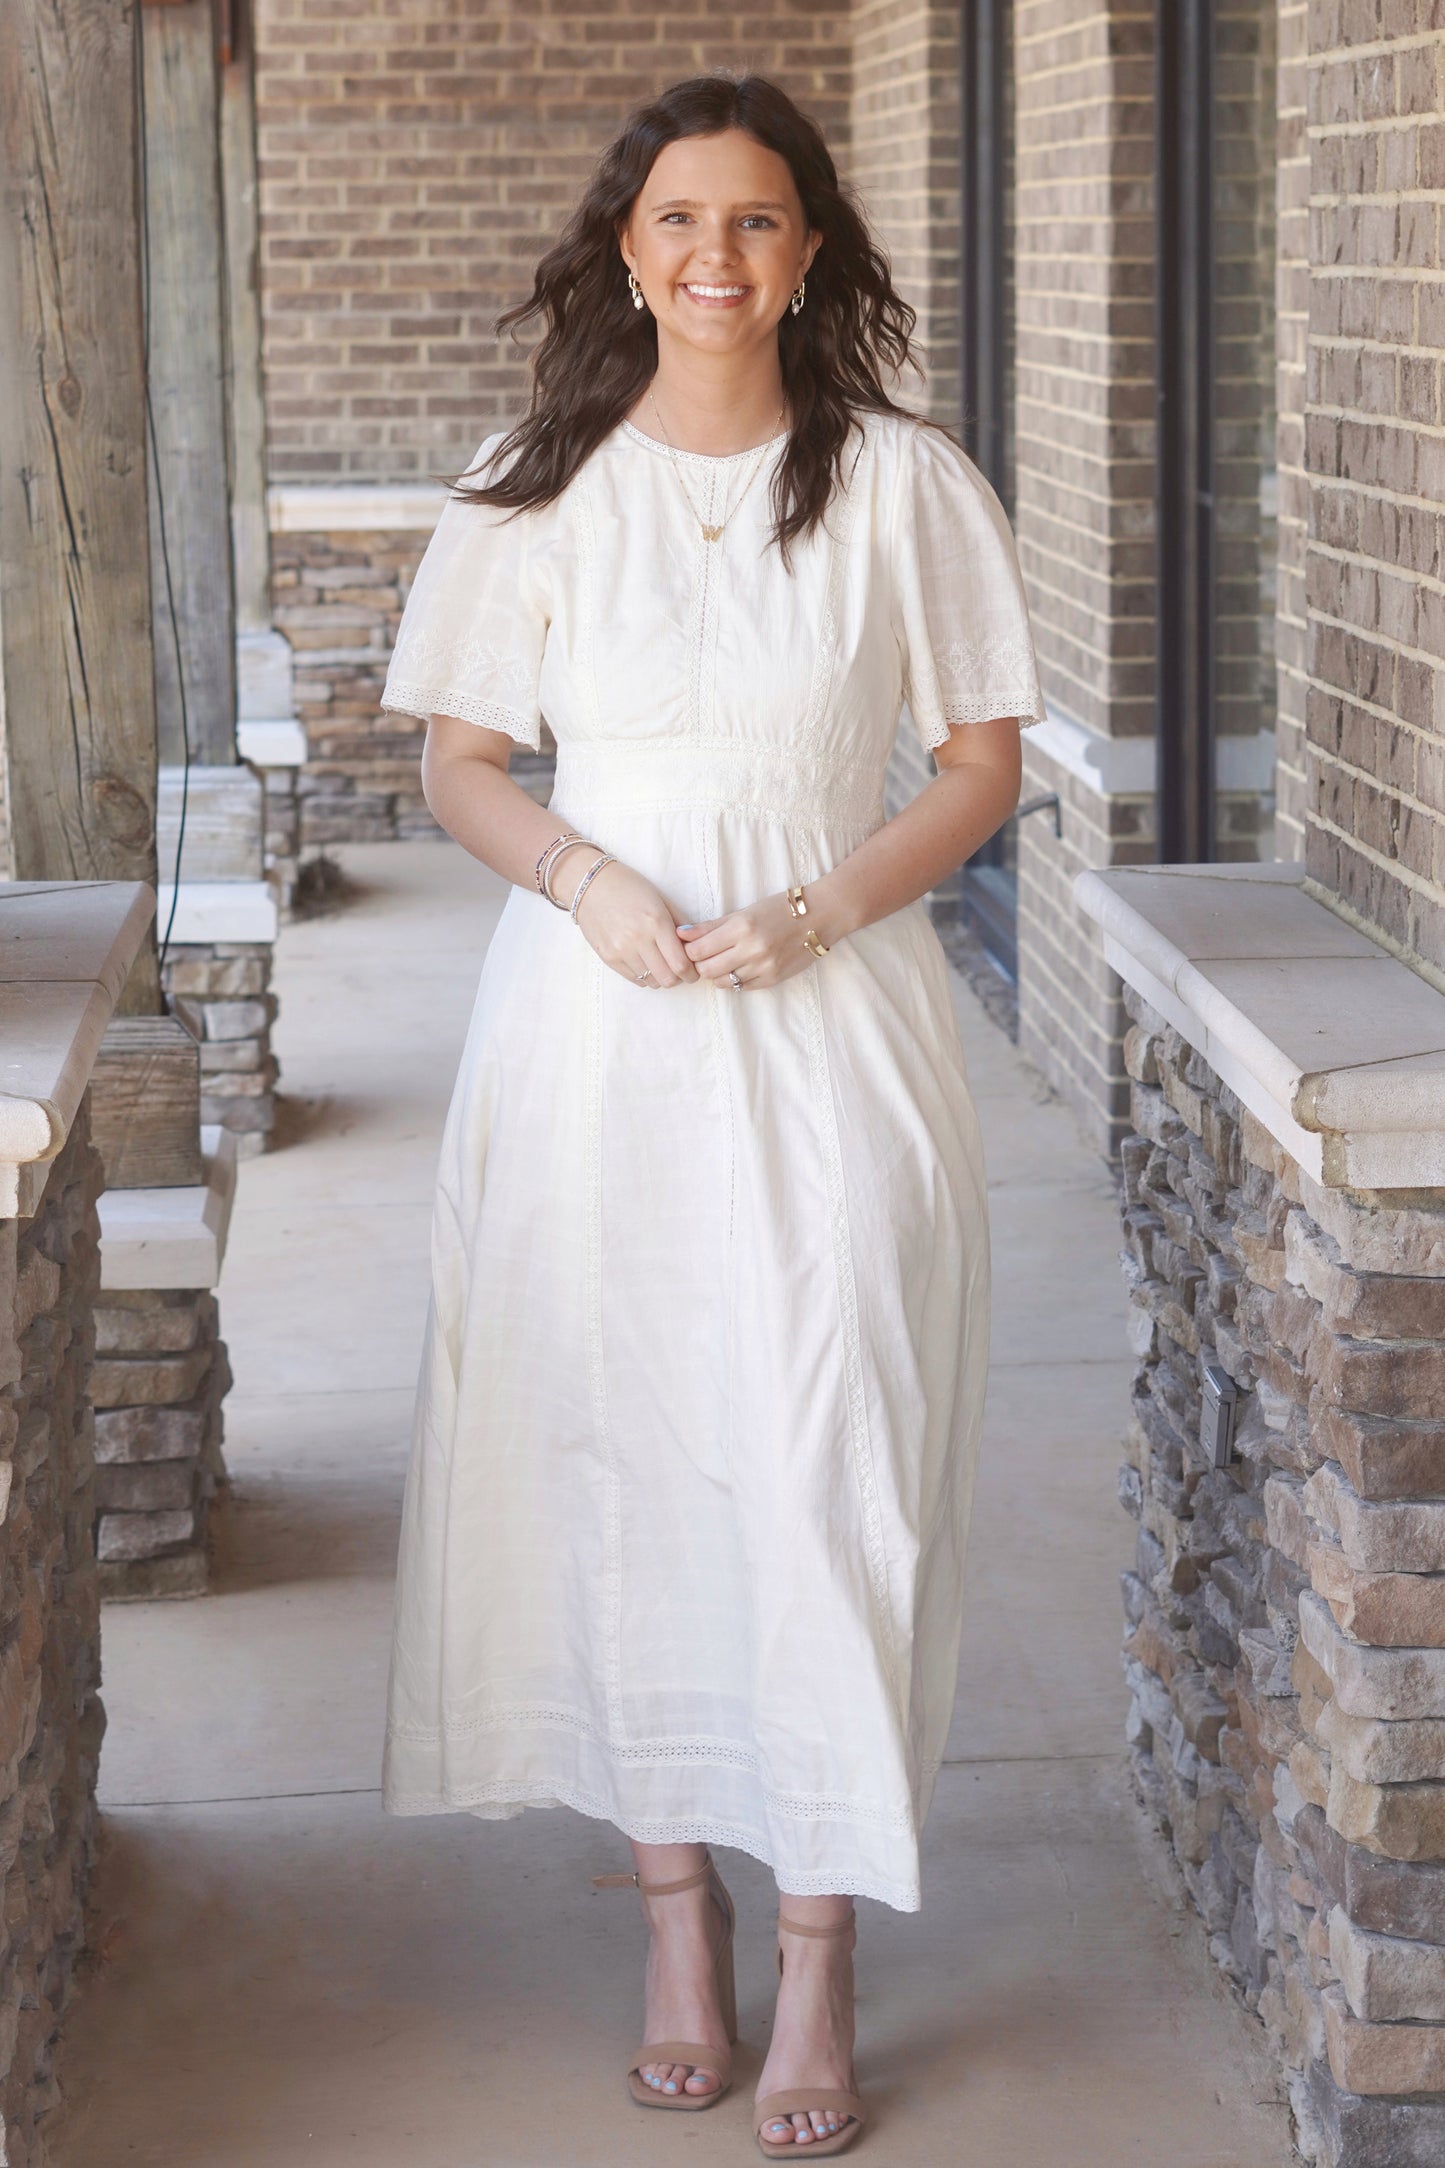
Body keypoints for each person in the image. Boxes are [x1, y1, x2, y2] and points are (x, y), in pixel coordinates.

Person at [377, 72, 1044, 2157]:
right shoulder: (530, 480)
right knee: (621, 1451)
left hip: (833, 1018)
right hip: (590, 1032)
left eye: (756, 222)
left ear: (812, 251)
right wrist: (594, 885)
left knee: (832, 1448)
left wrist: (818, 901)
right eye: (679, 222)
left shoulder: (905, 484)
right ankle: (680, 1927)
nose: (716, 259)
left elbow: (978, 761)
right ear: (627, 246)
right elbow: (464, 760)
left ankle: (824, 1944)